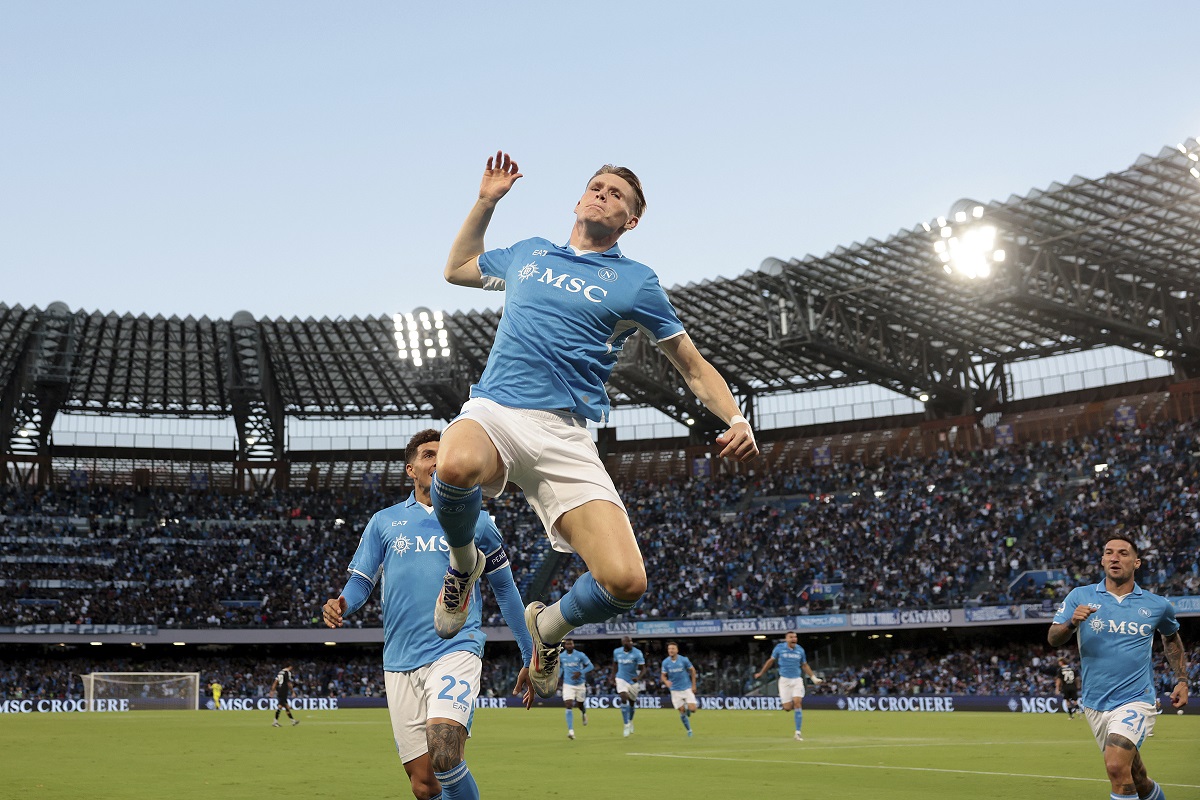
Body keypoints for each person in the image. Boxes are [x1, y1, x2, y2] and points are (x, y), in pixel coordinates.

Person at [430, 152, 760, 698]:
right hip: (499, 410)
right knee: (455, 461)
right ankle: (464, 564)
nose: (602, 194)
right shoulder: (530, 253)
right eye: (596, 186)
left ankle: (550, 627)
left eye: (616, 195)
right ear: (579, 199)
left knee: (626, 582)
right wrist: (486, 202)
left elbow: (694, 368)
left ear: (630, 221)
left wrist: (735, 417)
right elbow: (457, 269)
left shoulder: (635, 282)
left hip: (566, 436)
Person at [322, 429, 534, 800]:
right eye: (428, 455)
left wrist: (528, 653)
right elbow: (360, 581)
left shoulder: (479, 522)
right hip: (400, 660)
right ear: (411, 469)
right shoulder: (384, 522)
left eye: (444, 453)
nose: (438, 460)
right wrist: (342, 603)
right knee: (424, 785)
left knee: (444, 750)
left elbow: (505, 590)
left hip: (454, 648)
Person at [1048, 536, 1189, 800]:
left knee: (1115, 766)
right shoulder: (1080, 596)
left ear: (1136, 562)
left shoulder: (1157, 604)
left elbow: (1171, 637)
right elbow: (1053, 638)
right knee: (1136, 776)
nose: (1115, 557)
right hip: (1094, 701)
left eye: (1123, 553)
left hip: (1135, 699)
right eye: (1109, 553)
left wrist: (1182, 679)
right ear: (1102, 560)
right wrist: (1071, 623)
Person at [754, 631, 823, 741]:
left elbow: (804, 665)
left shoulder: (800, 650)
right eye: (791, 637)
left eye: (795, 637)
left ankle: (798, 732)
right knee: (787, 708)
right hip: (784, 681)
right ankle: (786, 701)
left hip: (796, 680)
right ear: (786, 639)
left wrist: (813, 678)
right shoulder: (779, 648)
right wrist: (761, 673)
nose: (794, 639)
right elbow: (770, 661)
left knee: (797, 702)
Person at [660, 641, 698, 737]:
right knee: (681, 711)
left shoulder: (684, 660)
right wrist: (666, 681)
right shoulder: (665, 662)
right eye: (669, 649)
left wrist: (694, 685)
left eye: (673, 648)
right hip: (675, 690)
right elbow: (663, 676)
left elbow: (693, 670)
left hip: (686, 688)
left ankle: (688, 708)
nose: (671, 650)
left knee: (693, 709)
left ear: (677, 650)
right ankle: (689, 730)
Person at [559, 638, 594, 740]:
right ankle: (571, 731)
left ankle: (583, 713)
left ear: (573, 645)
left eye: (571, 644)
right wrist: (557, 678)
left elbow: (590, 666)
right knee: (568, 704)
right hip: (568, 684)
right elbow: (561, 668)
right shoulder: (561, 656)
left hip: (580, 684)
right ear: (565, 646)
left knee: (580, 705)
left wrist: (581, 672)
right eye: (568, 644)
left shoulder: (580, 655)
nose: (569, 646)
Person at [612, 636, 646, 737]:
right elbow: (615, 664)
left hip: (633, 680)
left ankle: (630, 721)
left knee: (632, 703)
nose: (630, 643)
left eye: (631, 641)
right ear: (623, 643)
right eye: (628, 642)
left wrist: (638, 678)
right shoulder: (617, 652)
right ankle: (626, 724)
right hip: (621, 678)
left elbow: (643, 669)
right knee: (623, 697)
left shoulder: (637, 653)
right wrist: (612, 676)